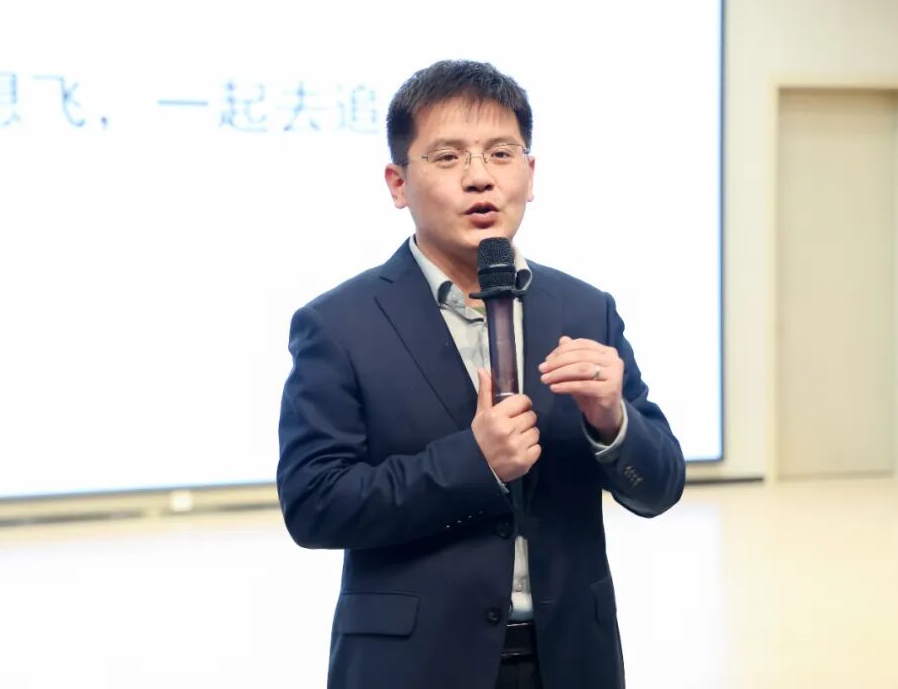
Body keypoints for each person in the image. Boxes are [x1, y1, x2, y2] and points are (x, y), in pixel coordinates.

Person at [276, 60, 685, 689]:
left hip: (572, 659)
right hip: (414, 667)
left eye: (500, 153)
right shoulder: (339, 324)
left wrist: (613, 422)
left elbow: (658, 488)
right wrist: (475, 462)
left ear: (530, 173)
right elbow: (314, 505)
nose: (479, 177)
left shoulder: (586, 309)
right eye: (448, 157)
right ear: (397, 183)